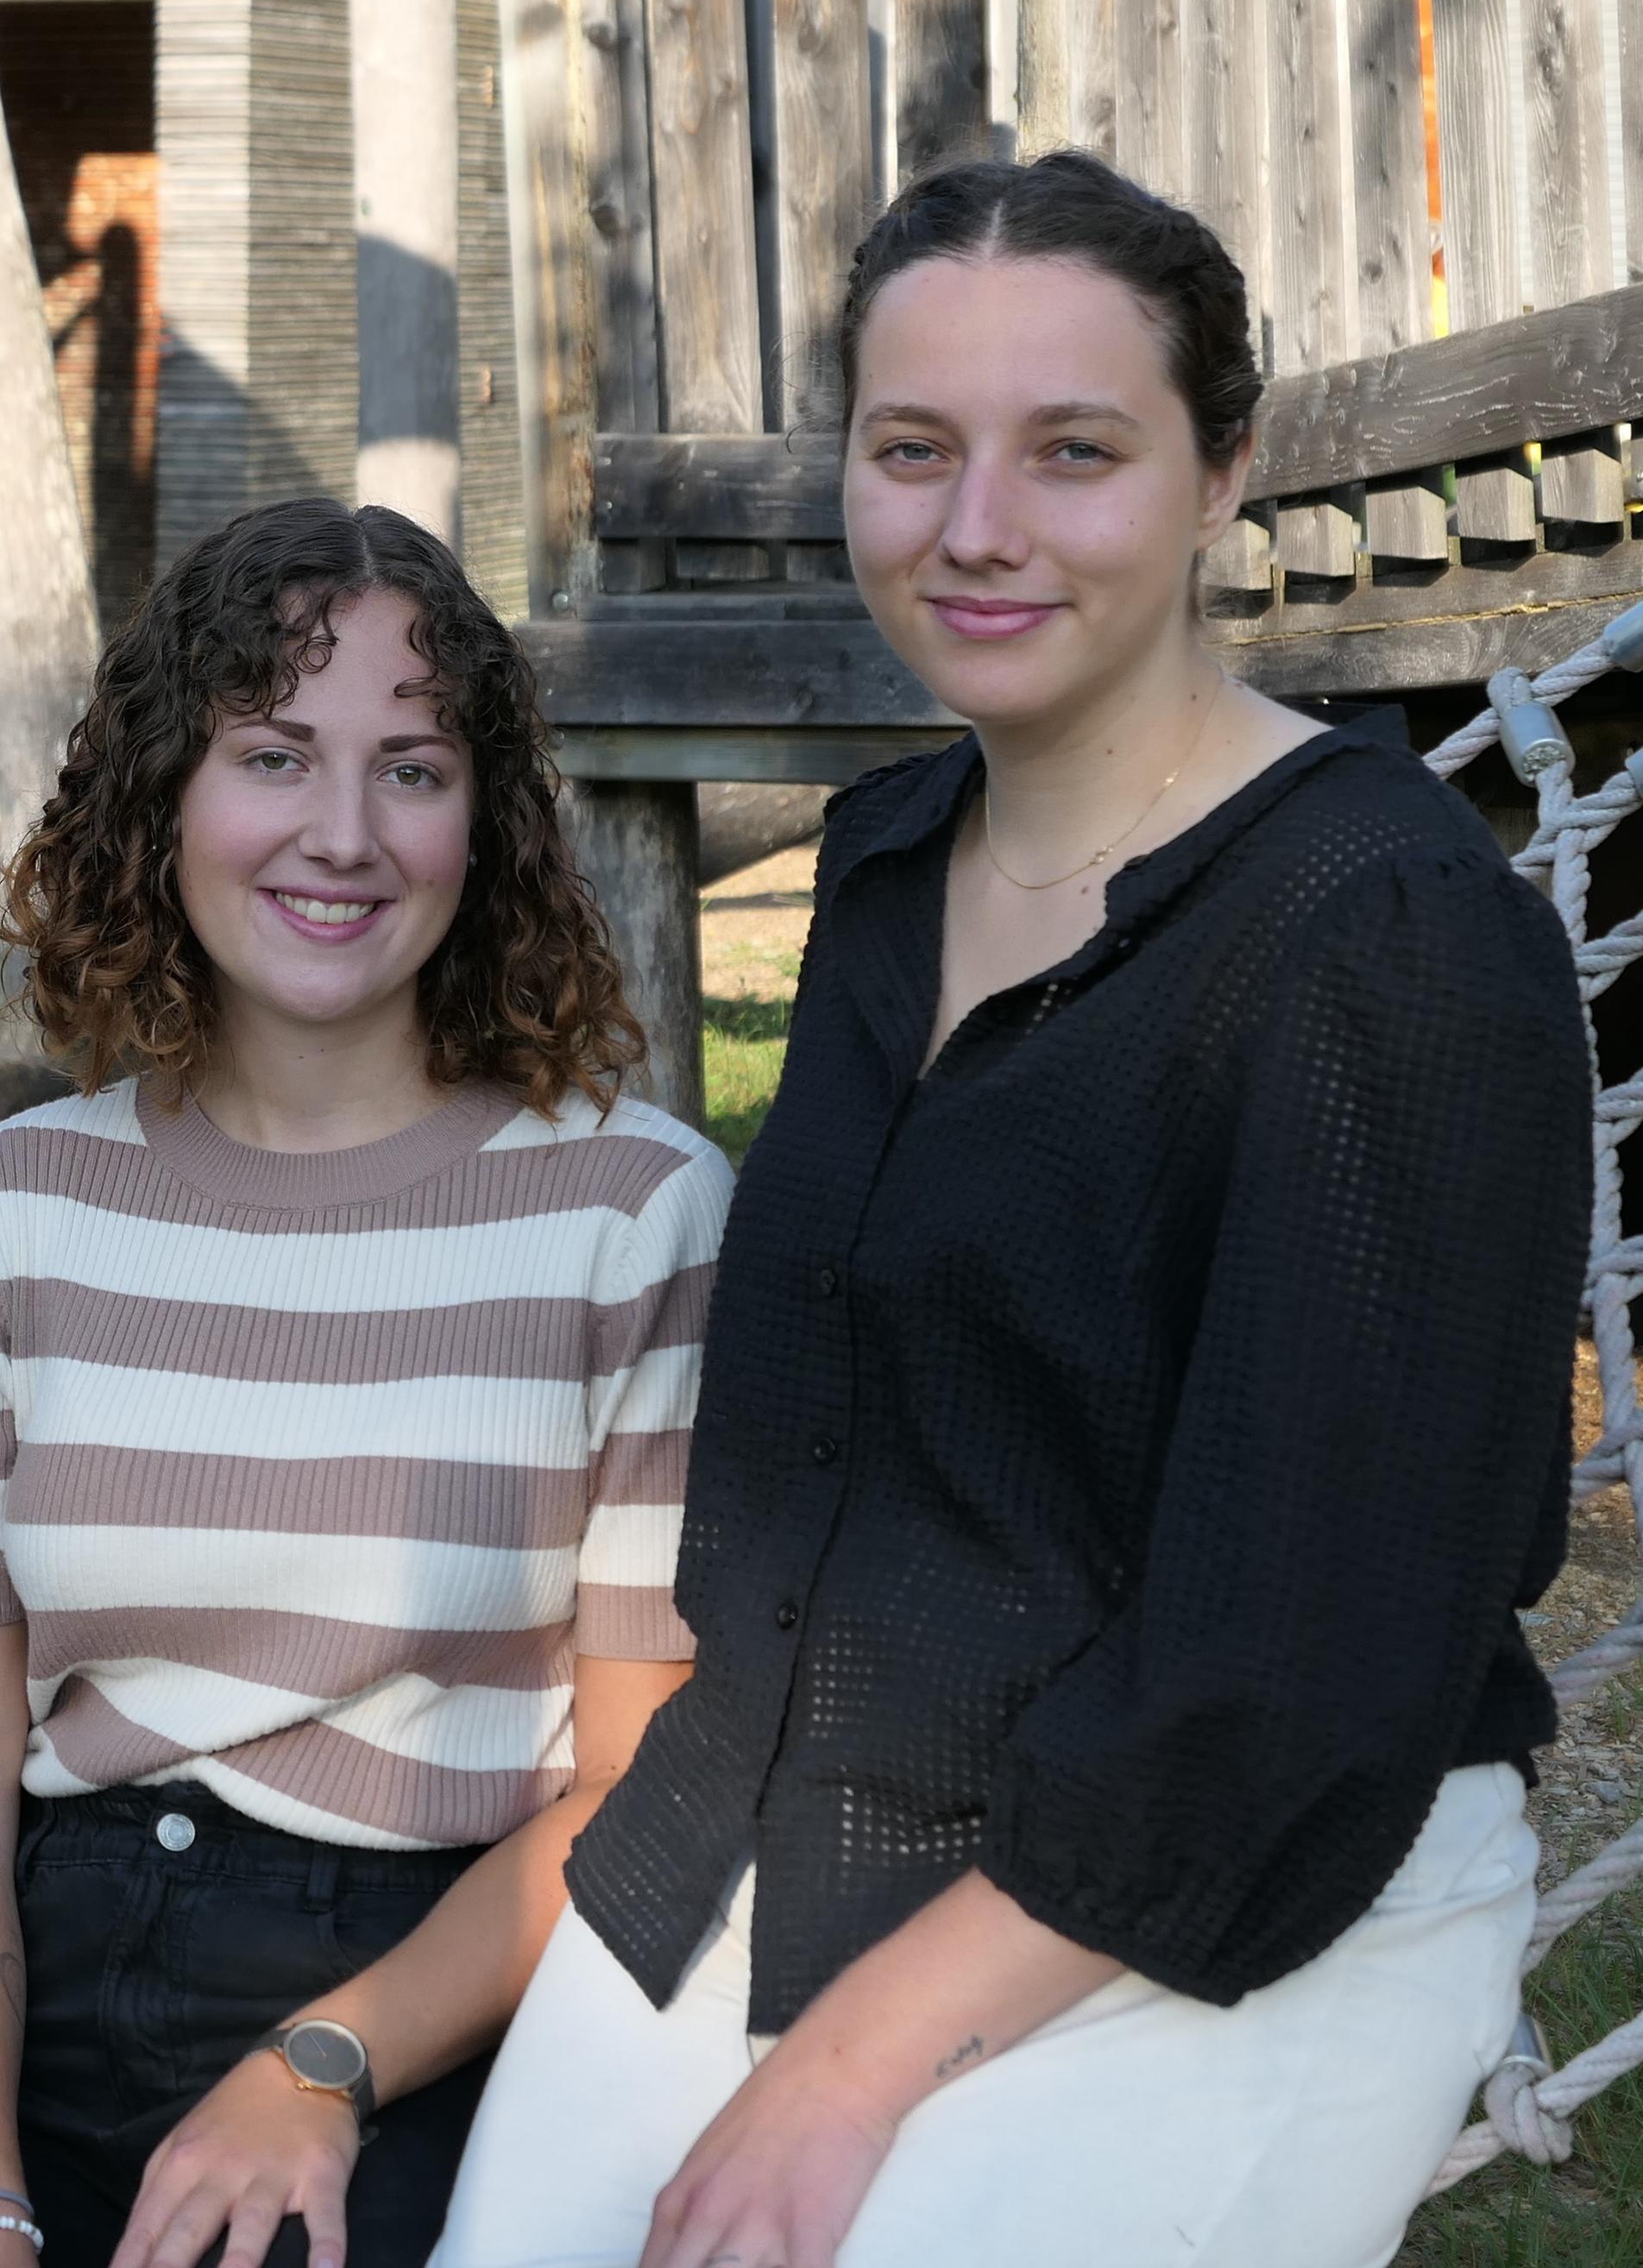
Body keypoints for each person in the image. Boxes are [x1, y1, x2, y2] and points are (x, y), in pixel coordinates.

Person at [434, 153, 1587, 2268]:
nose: (974, 527)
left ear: (1218, 471)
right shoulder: (883, 869)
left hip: (1215, 1888)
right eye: (910, 450)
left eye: (1071, 451)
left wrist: (844, 2066)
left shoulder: (1383, 937)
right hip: (765, 1820)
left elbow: (1303, 1664)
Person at [0, 498, 734, 2268]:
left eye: (410, 769)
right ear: (163, 795)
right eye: (271, 756)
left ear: (483, 821)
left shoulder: (634, 1212)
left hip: (430, 2000)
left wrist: (324, 2064)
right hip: (35, 1983)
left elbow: (640, 1789)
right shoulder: (4, 1213)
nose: (342, 834)